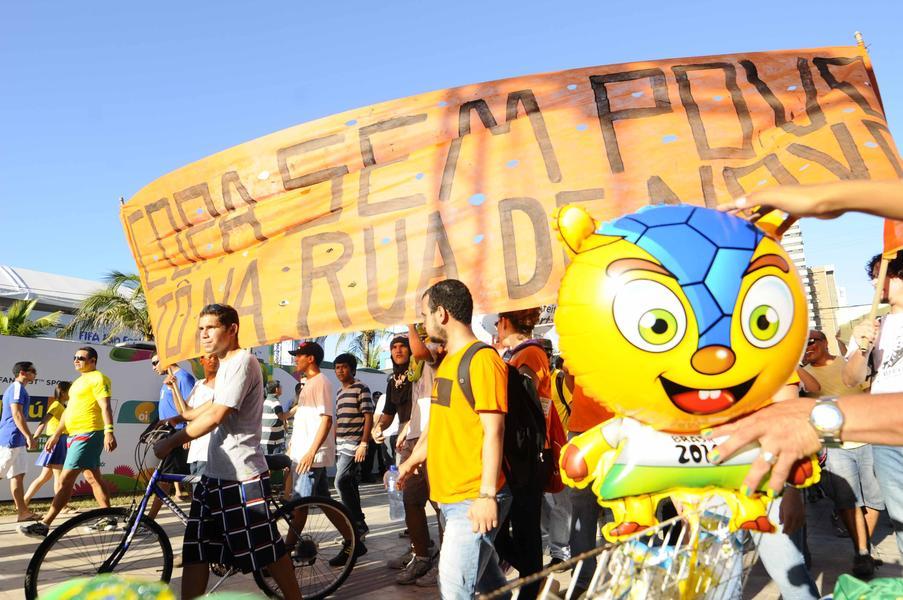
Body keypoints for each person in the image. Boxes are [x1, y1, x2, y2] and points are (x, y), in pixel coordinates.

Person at [711, 180, 903, 544]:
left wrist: (819, 419)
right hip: (881, 438)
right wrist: (826, 197)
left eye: (886, 273)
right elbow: (853, 379)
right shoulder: (877, 326)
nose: (877, 281)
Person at [151, 304, 301, 600]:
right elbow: (208, 407)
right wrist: (177, 421)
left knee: (267, 550)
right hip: (214, 474)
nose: (204, 335)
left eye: (211, 328)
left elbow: (218, 414)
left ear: (232, 329)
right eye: (201, 329)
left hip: (241, 476)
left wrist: (171, 442)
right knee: (196, 551)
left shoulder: (243, 361)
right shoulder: (226, 367)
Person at [397, 279, 512, 599]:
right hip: (450, 499)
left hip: (473, 499)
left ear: (442, 314)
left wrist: (487, 495)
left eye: (424, 315)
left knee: (454, 590)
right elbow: (441, 424)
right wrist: (412, 460)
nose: (423, 323)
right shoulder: (448, 361)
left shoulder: (483, 360)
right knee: (488, 586)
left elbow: (494, 431)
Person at [800, 329, 882, 578]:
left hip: (866, 435)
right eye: (803, 345)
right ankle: (861, 552)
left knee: (875, 500)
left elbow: (868, 390)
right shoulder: (804, 375)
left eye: (811, 342)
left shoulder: (849, 363)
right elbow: (810, 390)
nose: (807, 347)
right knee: (848, 502)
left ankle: (863, 547)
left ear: (824, 342)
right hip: (834, 442)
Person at [19, 348, 116, 537]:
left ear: (93, 360)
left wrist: (109, 432)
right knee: (93, 477)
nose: (76, 360)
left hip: (88, 434)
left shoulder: (99, 378)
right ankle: (109, 517)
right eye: (74, 358)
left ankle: (44, 525)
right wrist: (56, 435)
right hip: (74, 435)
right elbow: (68, 412)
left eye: (81, 358)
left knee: (64, 480)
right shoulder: (77, 383)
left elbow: (106, 406)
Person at [285, 341, 362, 565]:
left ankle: (285, 556)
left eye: (299, 355)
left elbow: (326, 420)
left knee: (299, 507)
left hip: (311, 458)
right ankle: (353, 541)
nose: (295, 359)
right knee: (325, 502)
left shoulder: (321, 383)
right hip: (304, 456)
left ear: (310, 358)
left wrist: (310, 453)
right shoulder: (310, 383)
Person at [493, 308, 553, 599]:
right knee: (510, 530)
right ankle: (532, 578)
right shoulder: (523, 354)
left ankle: (532, 584)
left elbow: (526, 407)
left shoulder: (528, 355)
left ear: (505, 322)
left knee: (522, 530)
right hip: (526, 453)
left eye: (498, 322)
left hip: (527, 455)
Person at [388, 324, 445, 586]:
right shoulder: (414, 367)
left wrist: (410, 323)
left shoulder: (435, 350)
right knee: (411, 498)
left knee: (441, 505)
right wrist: (408, 427)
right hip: (414, 437)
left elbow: (422, 352)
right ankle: (421, 556)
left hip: (435, 437)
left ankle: (445, 562)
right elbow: (419, 399)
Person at [332, 353, 374, 540]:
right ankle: (359, 525)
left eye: (344, 367)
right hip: (340, 444)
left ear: (352, 368)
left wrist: (363, 443)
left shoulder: (361, 388)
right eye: (337, 367)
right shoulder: (339, 393)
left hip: (354, 443)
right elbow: (339, 419)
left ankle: (357, 524)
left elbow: (368, 416)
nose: (340, 371)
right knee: (349, 483)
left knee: (339, 482)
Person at [152, 353, 195, 501]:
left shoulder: (184, 377)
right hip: (167, 431)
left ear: (166, 360)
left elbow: (190, 408)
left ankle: (150, 518)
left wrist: (188, 432)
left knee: (166, 475)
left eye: (155, 363)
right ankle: (179, 492)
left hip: (179, 431)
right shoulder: (167, 380)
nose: (153, 367)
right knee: (168, 472)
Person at [24, 381, 73, 509]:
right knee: (58, 476)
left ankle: (23, 502)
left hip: (59, 441)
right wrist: (34, 437)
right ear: (63, 392)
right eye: (70, 390)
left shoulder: (64, 406)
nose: (72, 393)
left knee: (45, 476)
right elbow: (43, 421)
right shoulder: (56, 405)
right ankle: (62, 507)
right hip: (57, 441)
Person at [1, 361, 39, 522]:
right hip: (11, 438)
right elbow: (17, 414)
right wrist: (29, 436)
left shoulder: (20, 389)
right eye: (33, 371)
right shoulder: (16, 387)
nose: (35, 373)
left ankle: (23, 513)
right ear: (23, 373)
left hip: (18, 440)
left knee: (18, 475)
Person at [372, 336, 413, 463]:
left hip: (423, 433)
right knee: (403, 479)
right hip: (403, 438)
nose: (398, 350)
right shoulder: (392, 382)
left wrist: (407, 429)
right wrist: (378, 427)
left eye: (402, 346)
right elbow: (388, 414)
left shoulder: (419, 375)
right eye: (394, 348)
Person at [261, 380, 288, 455]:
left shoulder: (266, 401)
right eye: (280, 387)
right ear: (276, 389)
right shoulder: (275, 402)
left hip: (265, 440)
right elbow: (282, 417)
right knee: (274, 463)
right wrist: (294, 409)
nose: (282, 389)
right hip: (274, 441)